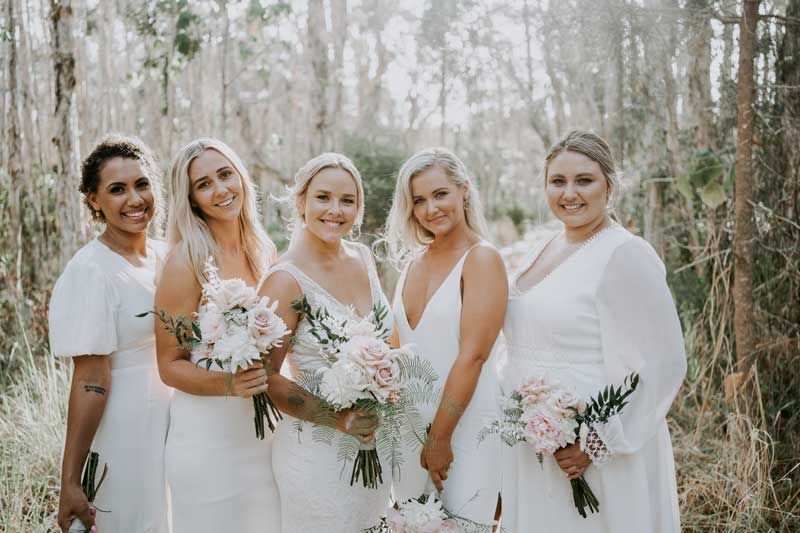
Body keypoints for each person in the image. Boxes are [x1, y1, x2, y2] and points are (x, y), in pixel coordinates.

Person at [501, 130, 686, 532]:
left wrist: (596, 439)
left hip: (593, 449)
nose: (570, 193)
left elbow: (660, 361)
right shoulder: (541, 247)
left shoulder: (625, 254)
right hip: (534, 442)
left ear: (610, 185)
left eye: (584, 180)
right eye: (558, 181)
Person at [258, 153, 391, 533]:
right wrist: (338, 419)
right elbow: (267, 377)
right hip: (315, 453)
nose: (336, 210)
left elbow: (386, 338)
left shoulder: (364, 257)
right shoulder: (284, 280)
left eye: (347, 201)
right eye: (323, 197)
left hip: (373, 445)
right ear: (301, 201)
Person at [155, 138, 280, 532]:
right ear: (190, 199)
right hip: (208, 439)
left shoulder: (264, 251)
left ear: (241, 176)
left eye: (225, 175)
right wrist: (229, 383)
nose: (221, 190)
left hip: (264, 437)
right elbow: (168, 366)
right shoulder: (184, 261)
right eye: (204, 184)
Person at [51, 135, 171, 533]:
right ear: (93, 200)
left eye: (141, 184)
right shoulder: (91, 271)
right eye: (117, 190)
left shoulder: (167, 255)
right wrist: (69, 480)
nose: (134, 199)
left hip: (177, 424)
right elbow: (89, 380)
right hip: (126, 430)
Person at [383, 147, 506, 526]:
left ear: (464, 190)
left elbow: (473, 356)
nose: (430, 208)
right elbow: (397, 350)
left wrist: (439, 438)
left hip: (463, 428)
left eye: (440, 194)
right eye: (419, 200)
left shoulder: (482, 259)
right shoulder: (412, 262)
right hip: (408, 433)